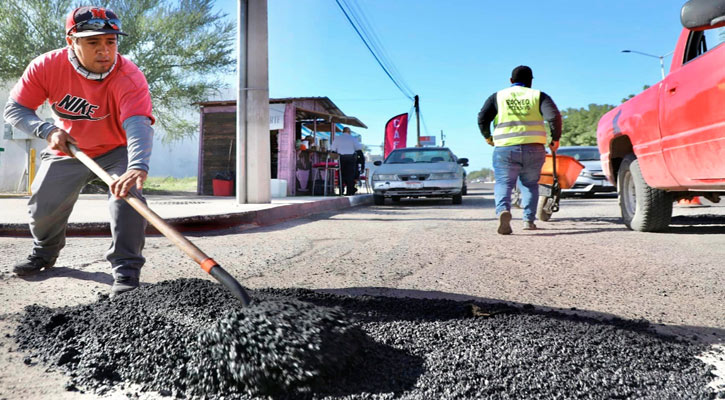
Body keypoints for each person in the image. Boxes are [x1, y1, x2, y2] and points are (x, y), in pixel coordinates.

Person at [3, 6, 155, 296]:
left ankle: (126, 272)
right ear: (72, 41)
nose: (105, 51)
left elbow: (138, 124)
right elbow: (16, 109)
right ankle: (45, 253)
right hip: (70, 148)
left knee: (128, 197)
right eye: (93, 42)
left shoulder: (129, 76)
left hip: (116, 148)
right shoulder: (46, 66)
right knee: (42, 206)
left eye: (111, 42)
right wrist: (47, 130)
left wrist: (137, 165)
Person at [477, 65, 561, 235]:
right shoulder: (539, 96)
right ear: (531, 81)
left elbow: (482, 117)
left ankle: (503, 211)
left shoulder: (498, 96)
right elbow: (554, 117)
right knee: (530, 184)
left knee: (504, 183)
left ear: (511, 80)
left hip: (505, 148)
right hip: (534, 147)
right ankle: (528, 221)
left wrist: (487, 136)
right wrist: (555, 139)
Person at [329, 127, 363, 196]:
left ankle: (341, 190)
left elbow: (333, 149)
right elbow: (358, 148)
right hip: (351, 158)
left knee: (341, 174)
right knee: (350, 175)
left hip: (341, 158)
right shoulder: (353, 138)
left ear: (343, 131)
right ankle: (349, 192)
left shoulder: (337, 138)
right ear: (349, 132)